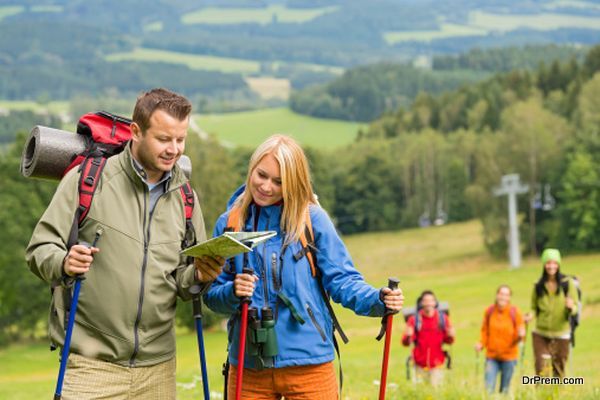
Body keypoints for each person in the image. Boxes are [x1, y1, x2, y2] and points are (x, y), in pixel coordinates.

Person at [26, 88, 224, 399]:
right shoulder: (86, 180)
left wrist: (199, 276)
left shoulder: (185, 197)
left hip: (158, 369)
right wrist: (64, 263)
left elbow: (182, 282)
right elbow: (40, 249)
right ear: (135, 131)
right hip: (91, 366)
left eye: (180, 140)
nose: (174, 150)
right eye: (163, 139)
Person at [203, 134, 404, 400]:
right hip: (249, 365)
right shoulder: (230, 223)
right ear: (251, 169)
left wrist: (378, 300)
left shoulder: (313, 220)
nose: (266, 187)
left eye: (278, 182)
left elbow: (342, 280)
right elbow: (211, 295)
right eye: (261, 175)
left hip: (310, 364)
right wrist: (232, 292)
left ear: (293, 183)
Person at [524, 248, 578, 378]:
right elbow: (533, 307)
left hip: (562, 334)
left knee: (558, 371)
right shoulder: (538, 285)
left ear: (558, 264)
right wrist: (530, 315)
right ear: (544, 264)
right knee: (540, 369)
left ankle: (557, 396)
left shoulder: (567, 283)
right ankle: (539, 396)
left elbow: (575, 307)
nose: (551, 266)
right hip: (541, 334)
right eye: (548, 263)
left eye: (554, 263)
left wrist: (571, 307)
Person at [475, 285, 525, 394]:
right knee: (488, 388)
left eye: (506, 295)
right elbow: (485, 331)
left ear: (509, 298)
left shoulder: (515, 312)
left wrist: (521, 335)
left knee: (504, 389)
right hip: (492, 356)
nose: (503, 297)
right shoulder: (489, 311)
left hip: (509, 357)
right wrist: (481, 344)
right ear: (497, 295)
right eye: (501, 294)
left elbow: (520, 335)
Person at [402, 290, 454, 387]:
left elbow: (449, 341)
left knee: (435, 393)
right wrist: (408, 335)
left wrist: (451, 335)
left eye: (431, 301)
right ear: (421, 303)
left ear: (435, 303)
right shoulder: (414, 319)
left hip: (437, 364)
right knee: (420, 393)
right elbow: (406, 343)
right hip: (419, 363)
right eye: (426, 301)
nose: (428, 303)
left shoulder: (443, 318)